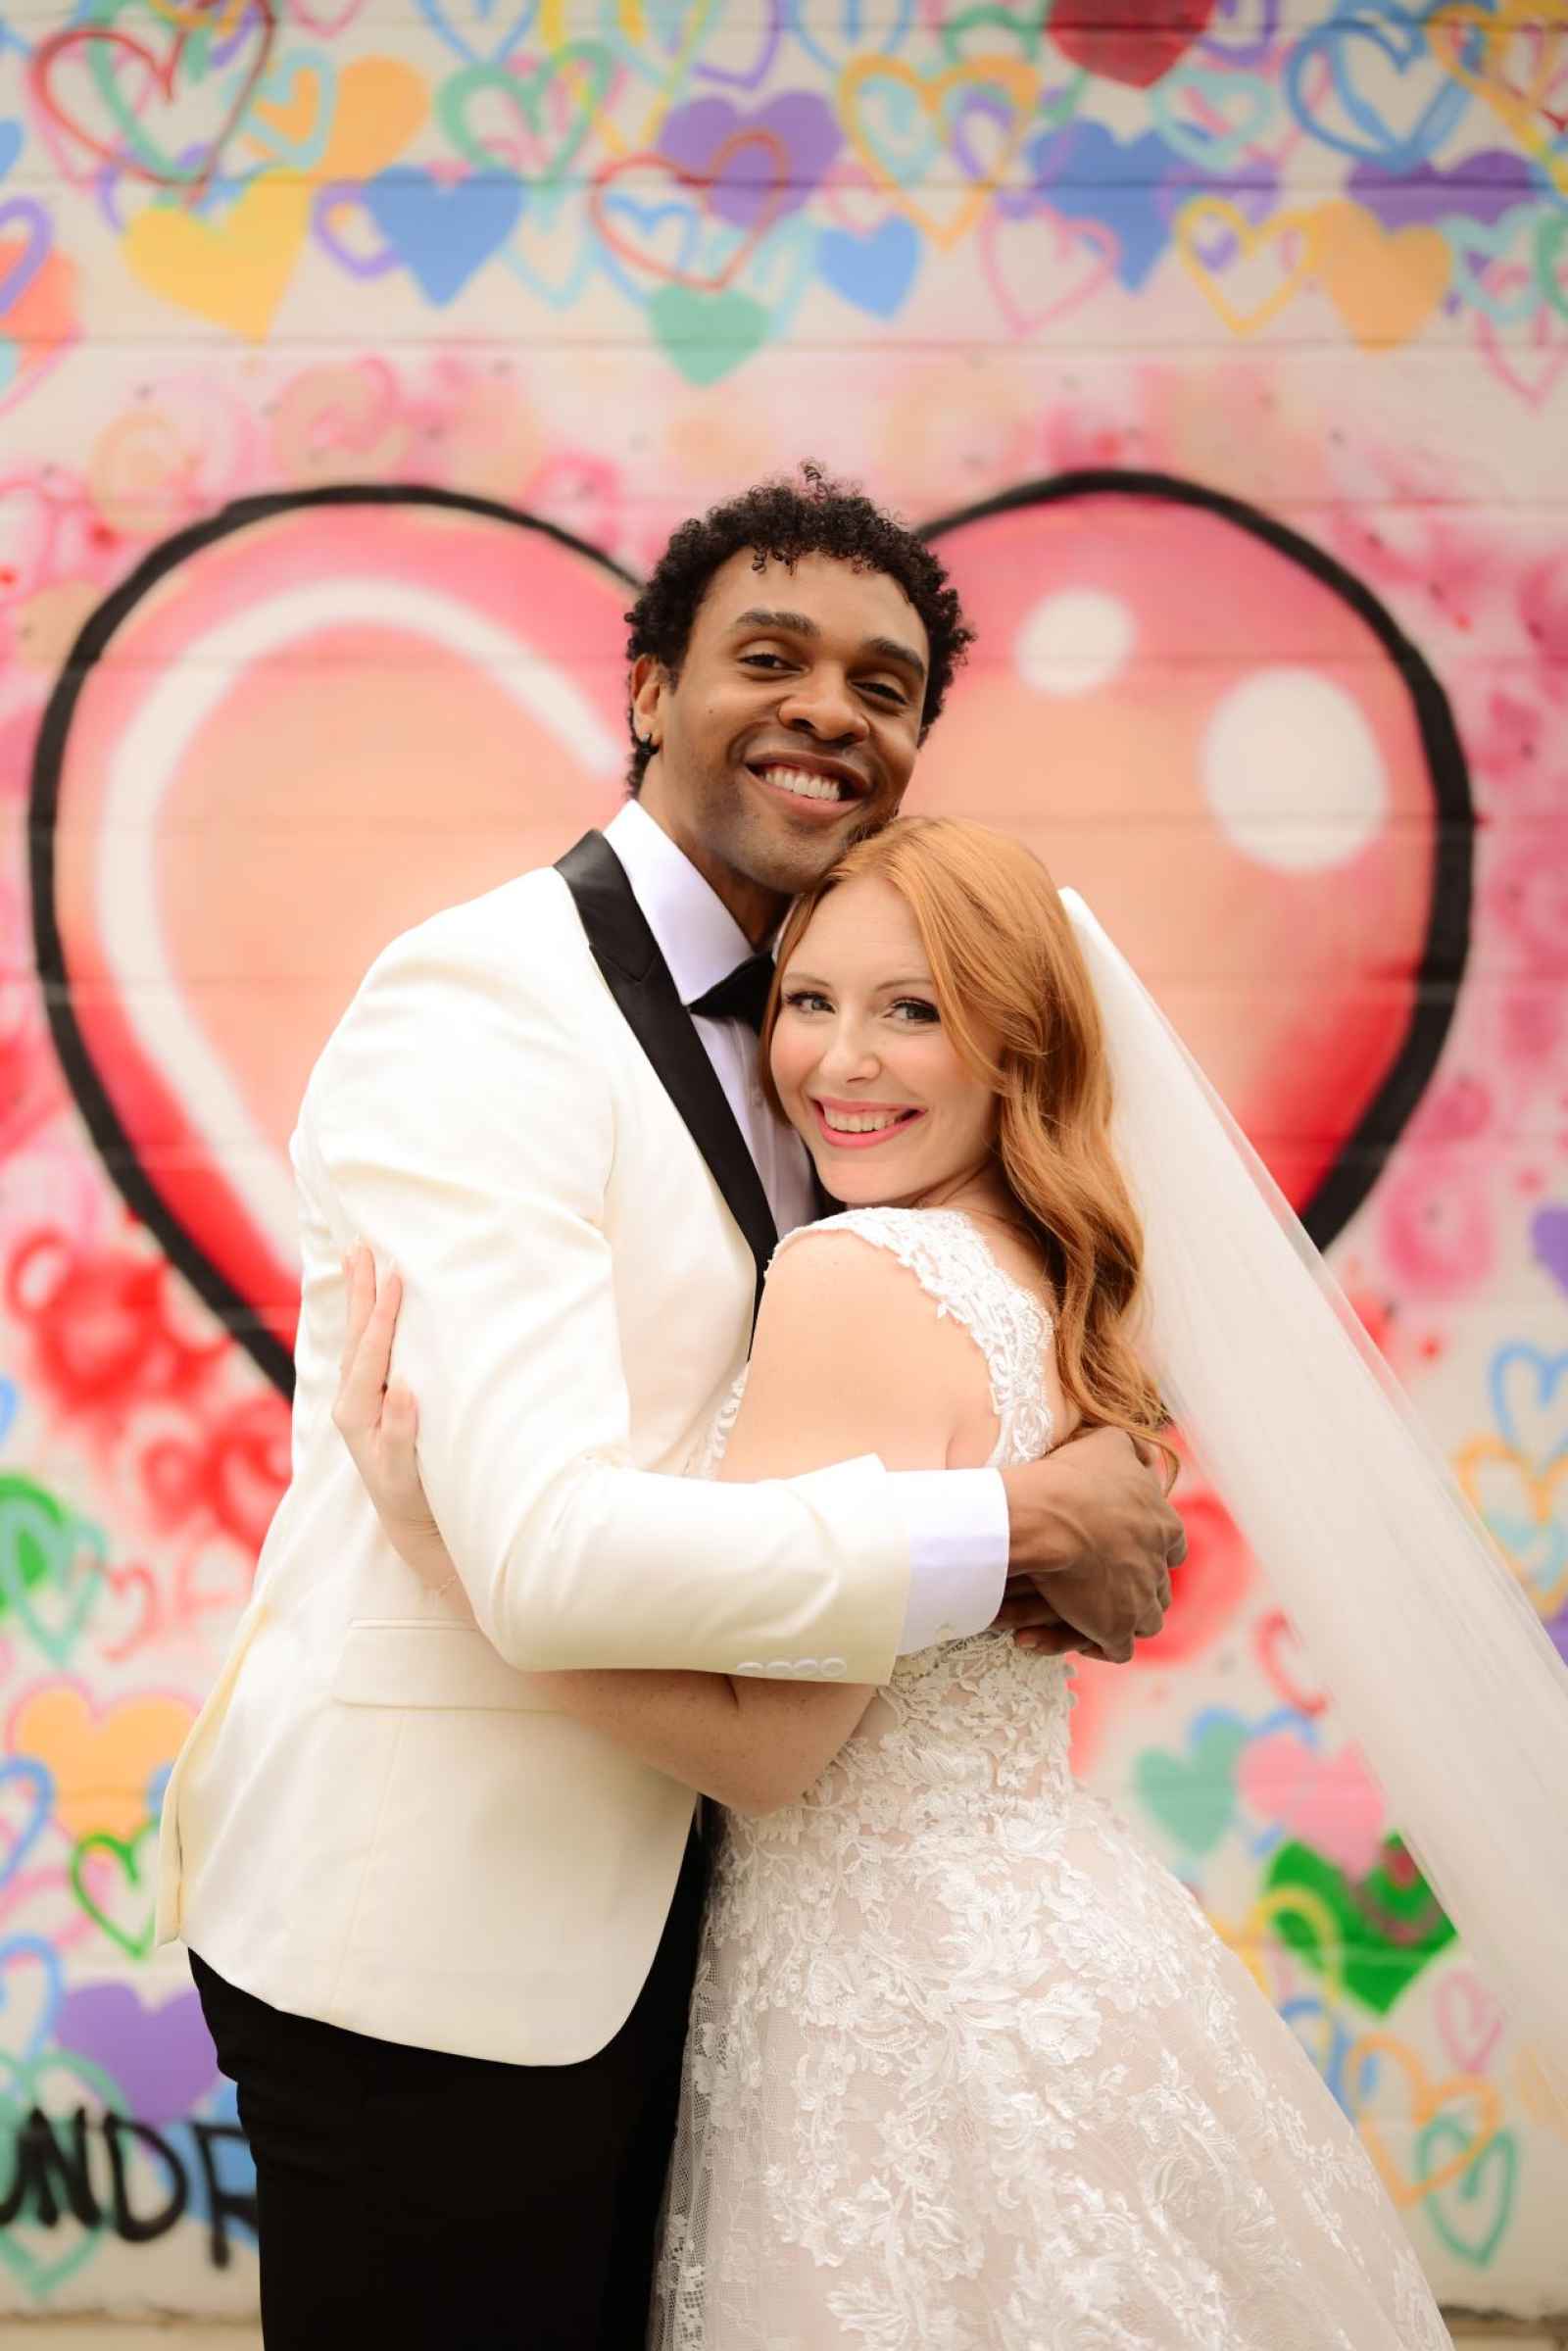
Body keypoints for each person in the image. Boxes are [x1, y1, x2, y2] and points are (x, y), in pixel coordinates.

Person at [155, 470, 1184, 2350]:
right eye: (769, 658)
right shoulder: (485, 1002)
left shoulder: (846, 1036)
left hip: (732, 1943)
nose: (829, 712)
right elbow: (546, 1554)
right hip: (454, 1941)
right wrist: (1016, 1526)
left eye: (884, 687)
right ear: (647, 690)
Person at [337, 815, 1473, 2347]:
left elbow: (769, 1749)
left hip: (899, 2004)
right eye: (808, 1001)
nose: (841, 1061)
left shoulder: (855, 1275)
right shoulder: (1051, 1276)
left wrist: (448, 1555)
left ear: (1016, 1044)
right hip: (1064, 1947)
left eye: (914, 1009)